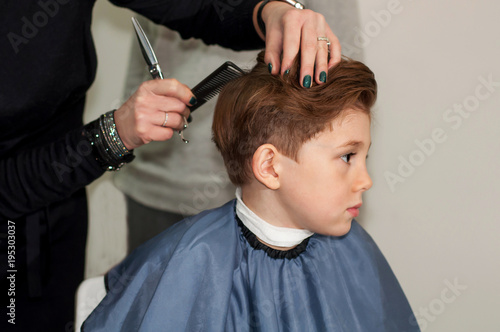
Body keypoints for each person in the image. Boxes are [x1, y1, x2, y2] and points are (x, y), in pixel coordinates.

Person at [0, 1, 340, 330]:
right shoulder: (195, 252)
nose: (365, 181)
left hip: (59, 204)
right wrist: (110, 137)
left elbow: (201, 7)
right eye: (347, 157)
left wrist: (269, 10)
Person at [82, 51, 420, 331]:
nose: (366, 180)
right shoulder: (191, 262)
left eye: (365, 157)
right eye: (347, 157)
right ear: (270, 167)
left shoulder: (354, 252)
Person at [114, 0, 364, 254]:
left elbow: (345, 79)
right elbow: (141, 59)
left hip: (269, 197)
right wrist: (124, 136)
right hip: (155, 178)